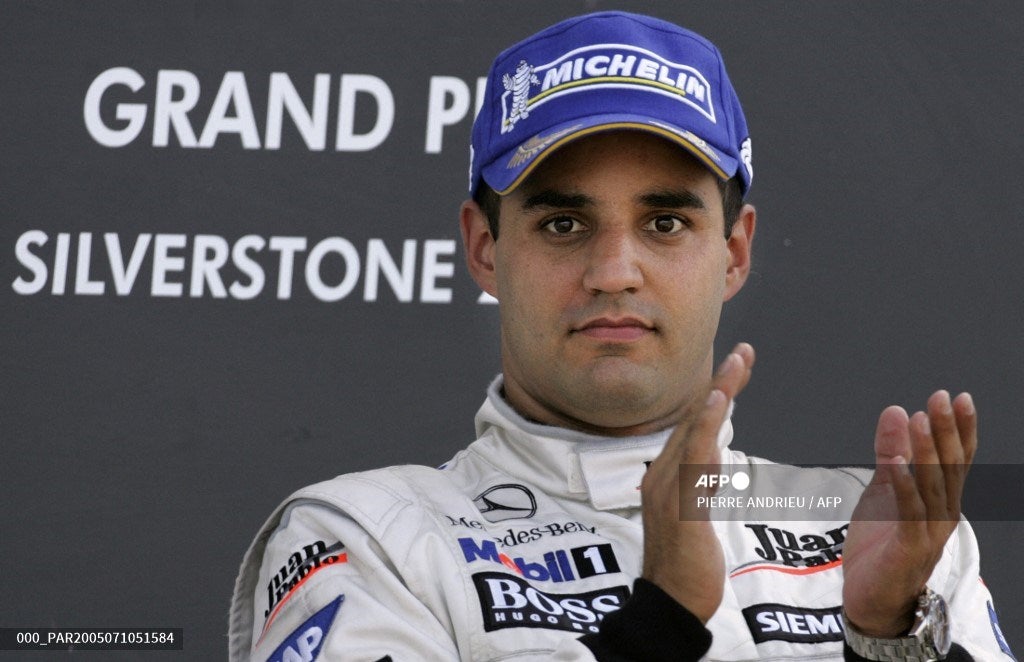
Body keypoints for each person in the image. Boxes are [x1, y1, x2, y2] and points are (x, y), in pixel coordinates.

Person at [228, 11, 1014, 661]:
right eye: (563, 224)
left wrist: (886, 641)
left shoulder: (870, 524)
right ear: (485, 249)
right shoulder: (369, 537)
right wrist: (658, 625)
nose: (613, 271)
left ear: (735, 252)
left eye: (664, 222)